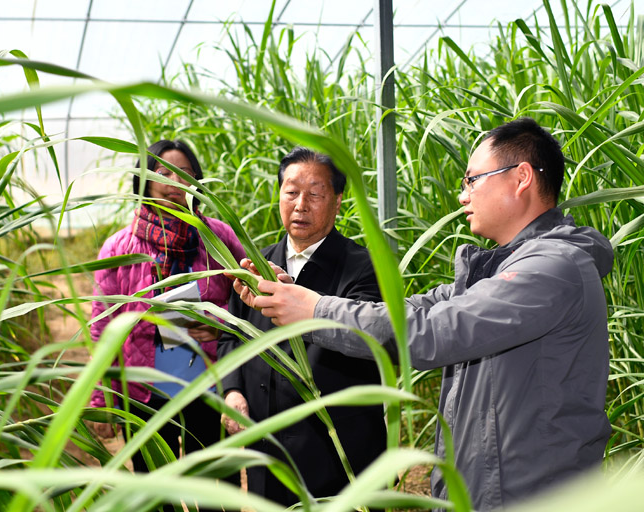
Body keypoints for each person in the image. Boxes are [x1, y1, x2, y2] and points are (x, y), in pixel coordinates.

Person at [233, 119, 614, 510]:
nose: (463, 196)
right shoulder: (498, 269)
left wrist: (314, 311)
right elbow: (411, 310)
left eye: (472, 180)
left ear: (520, 178)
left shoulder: (552, 269)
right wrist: (293, 296)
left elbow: (432, 331)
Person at [217, 147, 387, 506]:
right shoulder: (255, 266)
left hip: (336, 453)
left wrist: (296, 297)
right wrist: (232, 391)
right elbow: (230, 337)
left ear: (338, 200)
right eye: (291, 192)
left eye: (315, 194)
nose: (300, 204)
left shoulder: (365, 269)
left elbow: (368, 338)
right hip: (267, 450)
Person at [89, 139, 246, 475]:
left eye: (184, 174)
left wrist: (220, 324)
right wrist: (102, 399)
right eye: (164, 173)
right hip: (144, 395)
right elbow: (102, 329)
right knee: (155, 495)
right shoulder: (119, 248)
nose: (174, 183)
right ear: (145, 181)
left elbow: (247, 299)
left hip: (210, 390)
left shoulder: (218, 237)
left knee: (217, 492)